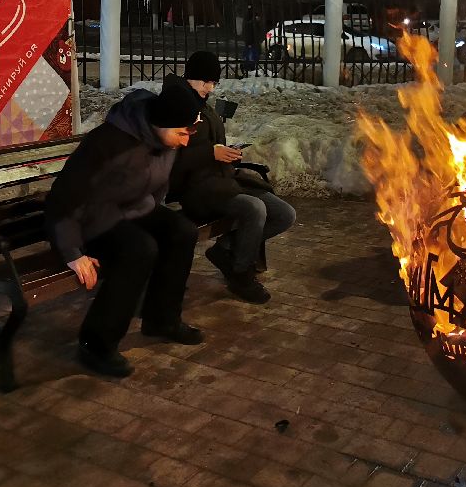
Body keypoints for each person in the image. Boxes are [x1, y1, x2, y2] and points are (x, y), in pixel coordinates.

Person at [44, 80, 205, 378]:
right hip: (90, 221)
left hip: (131, 210)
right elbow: (63, 198)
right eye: (182, 133)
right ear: (161, 122)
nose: (185, 141)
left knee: (182, 231)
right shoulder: (108, 143)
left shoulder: (164, 140)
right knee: (140, 249)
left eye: (190, 132)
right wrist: (71, 251)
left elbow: (158, 185)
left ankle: (162, 319)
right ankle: (96, 343)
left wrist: (153, 211)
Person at [168, 51, 296, 305]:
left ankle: (226, 249)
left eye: (213, 82)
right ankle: (240, 274)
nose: (210, 87)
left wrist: (228, 155)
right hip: (197, 189)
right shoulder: (176, 105)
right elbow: (170, 159)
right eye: (205, 81)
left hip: (222, 182)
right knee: (254, 208)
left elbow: (212, 147)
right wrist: (211, 154)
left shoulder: (205, 107)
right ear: (191, 77)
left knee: (284, 213)